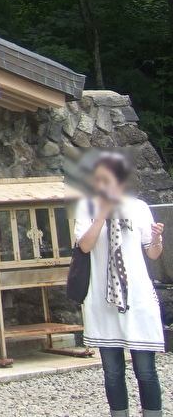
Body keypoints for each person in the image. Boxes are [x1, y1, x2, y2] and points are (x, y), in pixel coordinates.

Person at [75, 152, 165, 417]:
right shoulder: (87, 208)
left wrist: (158, 239)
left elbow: (152, 253)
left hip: (137, 295)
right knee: (113, 371)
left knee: (146, 369)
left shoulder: (138, 207)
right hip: (105, 299)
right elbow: (84, 245)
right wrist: (101, 216)